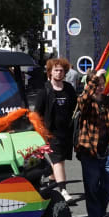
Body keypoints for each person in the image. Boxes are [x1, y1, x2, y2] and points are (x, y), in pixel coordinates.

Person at [74, 69, 109, 217]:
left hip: (108, 150)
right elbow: (83, 99)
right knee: (92, 186)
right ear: (90, 84)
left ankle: (101, 210)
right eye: (97, 84)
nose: (100, 87)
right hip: (89, 150)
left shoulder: (108, 101)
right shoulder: (85, 101)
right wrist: (95, 76)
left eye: (102, 84)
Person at [33, 57, 77, 200]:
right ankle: (63, 190)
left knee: (60, 161)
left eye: (61, 70)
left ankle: (51, 184)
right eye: (56, 70)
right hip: (51, 133)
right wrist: (39, 131)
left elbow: (76, 108)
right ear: (50, 72)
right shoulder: (44, 91)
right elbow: (36, 113)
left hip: (66, 132)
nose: (59, 73)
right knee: (57, 161)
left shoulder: (69, 89)